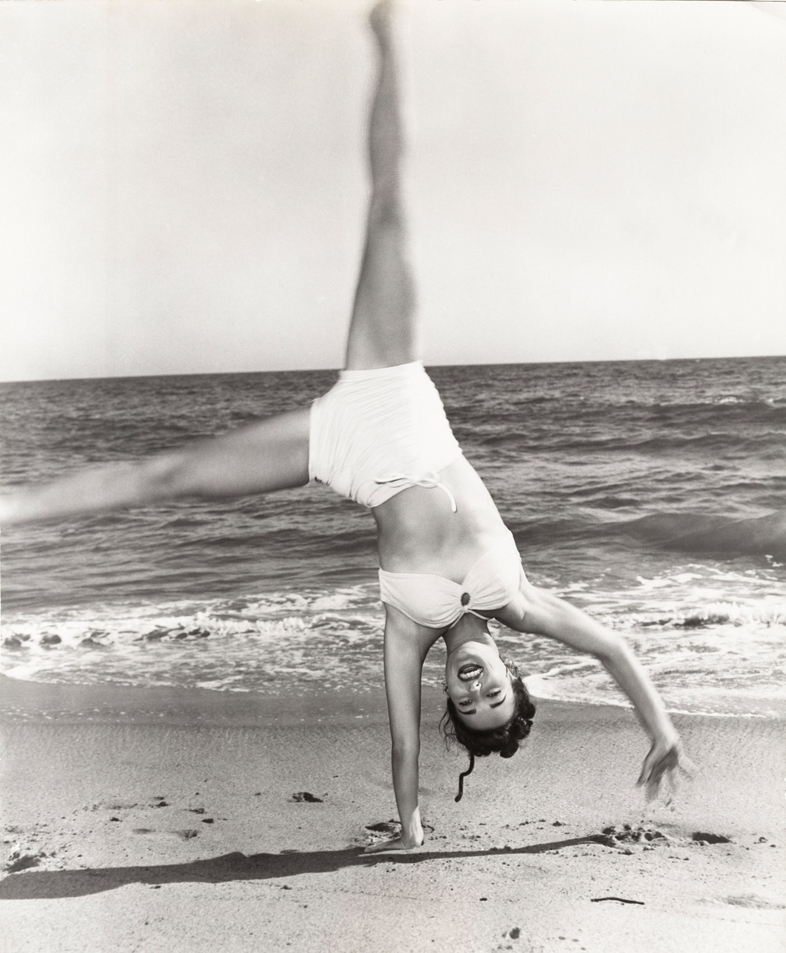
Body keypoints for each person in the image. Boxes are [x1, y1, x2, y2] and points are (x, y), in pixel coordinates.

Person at [0, 1, 686, 853]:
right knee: (392, 204)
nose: (474, 692)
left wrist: (410, 830)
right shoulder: (523, 602)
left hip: (343, 448)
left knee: (166, 477)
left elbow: (402, 745)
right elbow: (614, 648)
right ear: (514, 672)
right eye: (494, 695)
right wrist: (659, 727)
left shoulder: (408, 632)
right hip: (396, 388)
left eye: (466, 705)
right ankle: (386, 29)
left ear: (451, 693)